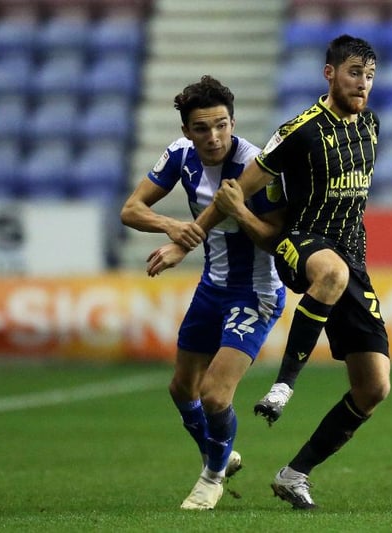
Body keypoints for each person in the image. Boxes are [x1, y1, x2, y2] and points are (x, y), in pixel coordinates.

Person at [146, 35, 391, 510]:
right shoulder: (298, 131)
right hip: (302, 243)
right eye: (354, 73)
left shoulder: (372, 125)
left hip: (351, 258)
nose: (362, 84)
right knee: (331, 274)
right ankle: (283, 387)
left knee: (375, 387)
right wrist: (183, 241)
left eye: (369, 76)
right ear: (330, 73)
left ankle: (294, 474)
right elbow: (235, 191)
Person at [121, 75, 287, 510]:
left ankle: (211, 477)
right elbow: (131, 210)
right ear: (185, 132)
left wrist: (238, 213)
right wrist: (173, 228)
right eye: (201, 128)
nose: (213, 137)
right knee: (182, 389)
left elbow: (275, 240)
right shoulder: (180, 157)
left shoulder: (258, 166)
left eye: (221, 126)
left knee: (215, 394)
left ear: (233, 122)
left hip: (256, 290)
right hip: (212, 286)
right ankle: (222, 453)